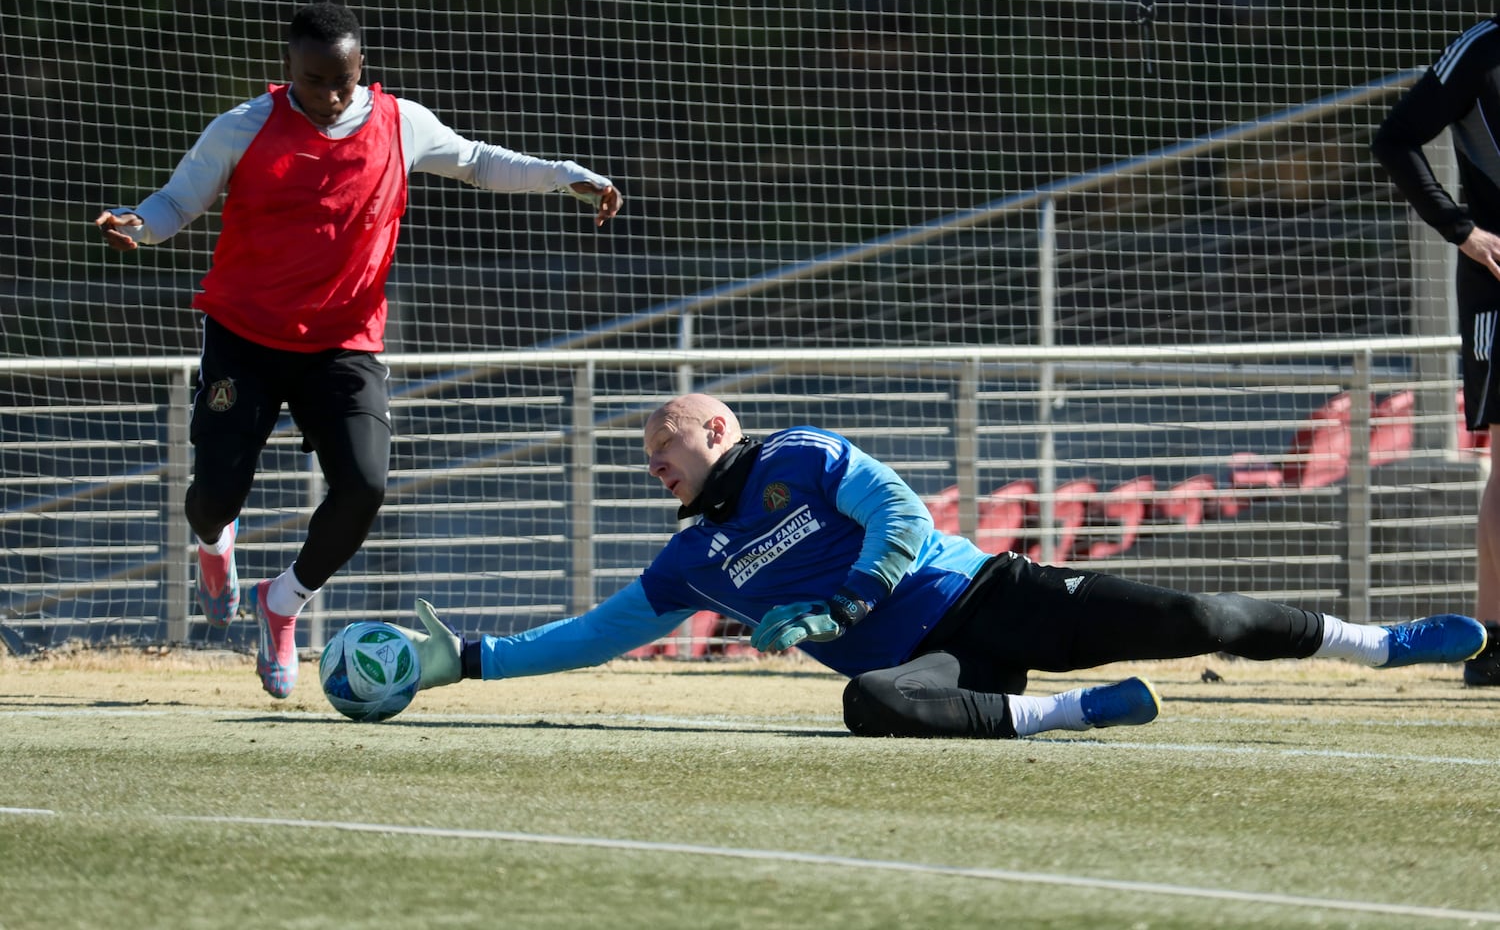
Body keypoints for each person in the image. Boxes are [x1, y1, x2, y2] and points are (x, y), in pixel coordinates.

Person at [391, 393, 1488, 739]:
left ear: (713, 427)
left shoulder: (802, 455)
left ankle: (1384, 642)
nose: (651, 468)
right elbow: (595, 632)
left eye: (658, 449)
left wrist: (845, 595)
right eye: (644, 459)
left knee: (1200, 610)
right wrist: (472, 662)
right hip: (932, 662)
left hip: (990, 592)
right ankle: (1071, 717)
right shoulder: (692, 561)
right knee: (870, 706)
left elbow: (903, 516)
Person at [93, 2, 622, 700]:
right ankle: (215, 543)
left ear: (361, 67)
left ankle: (281, 604)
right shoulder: (242, 127)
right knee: (216, 496)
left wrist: (562, 175)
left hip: (345, 342)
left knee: (365, 487)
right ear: (289, 70)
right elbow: (176, 203)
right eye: (316, 81)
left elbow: (477, 162)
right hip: (244, 336)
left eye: (344, 80)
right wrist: (138, 224)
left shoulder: (400, 122)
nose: (333, 94)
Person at [1372, 15, 1500, 687]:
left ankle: (1489, 647)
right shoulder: (1482, 49)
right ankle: (1493, 643)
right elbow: (1396, 137)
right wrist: (1463, 230)